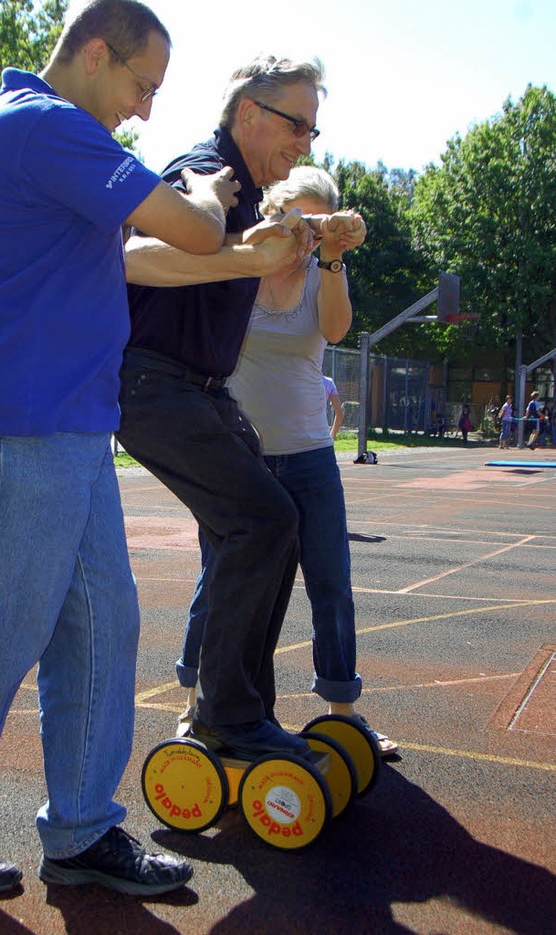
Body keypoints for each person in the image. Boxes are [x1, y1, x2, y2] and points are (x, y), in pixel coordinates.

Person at [0, 0, 240, 899]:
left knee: (100, 628)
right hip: (21, 424)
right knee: (1, 635)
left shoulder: (39, 136)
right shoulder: (45, 125)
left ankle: (83, 829)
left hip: (67, 424)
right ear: (94, 52)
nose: (142, 108)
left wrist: (254, 253)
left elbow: (146, 256)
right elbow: (193, 228)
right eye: (141, 84)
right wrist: (212, 188)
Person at [118, 55, 337, 765]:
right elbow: (144, 244)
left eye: (312, 128)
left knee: (277, 521)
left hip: (199, 388)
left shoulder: (253, 194)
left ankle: (243, 710)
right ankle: (226, 715)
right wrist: (234, 239)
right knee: (263, 519)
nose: (305, 141)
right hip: (154, 383)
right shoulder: (205, 170)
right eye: (296, 124)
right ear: (249, 114)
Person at [173, 166, 397, 757]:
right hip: (238, 457)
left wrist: (332, 259)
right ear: (273, 213)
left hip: (308, 456)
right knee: (219, 582)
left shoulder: (324, 272)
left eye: (317, 222)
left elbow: (337, 327)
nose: (305, 231)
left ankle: (344, 714)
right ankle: (195, 704)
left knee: (331, 583)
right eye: (297, 217)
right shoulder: (243, 262)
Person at [323, 374, 343, 439]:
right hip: (322, 440)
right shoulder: (328, 382)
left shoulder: (294, 381)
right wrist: (331, 437)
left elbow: (339, 414)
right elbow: (339, 413)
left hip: (297, 440)